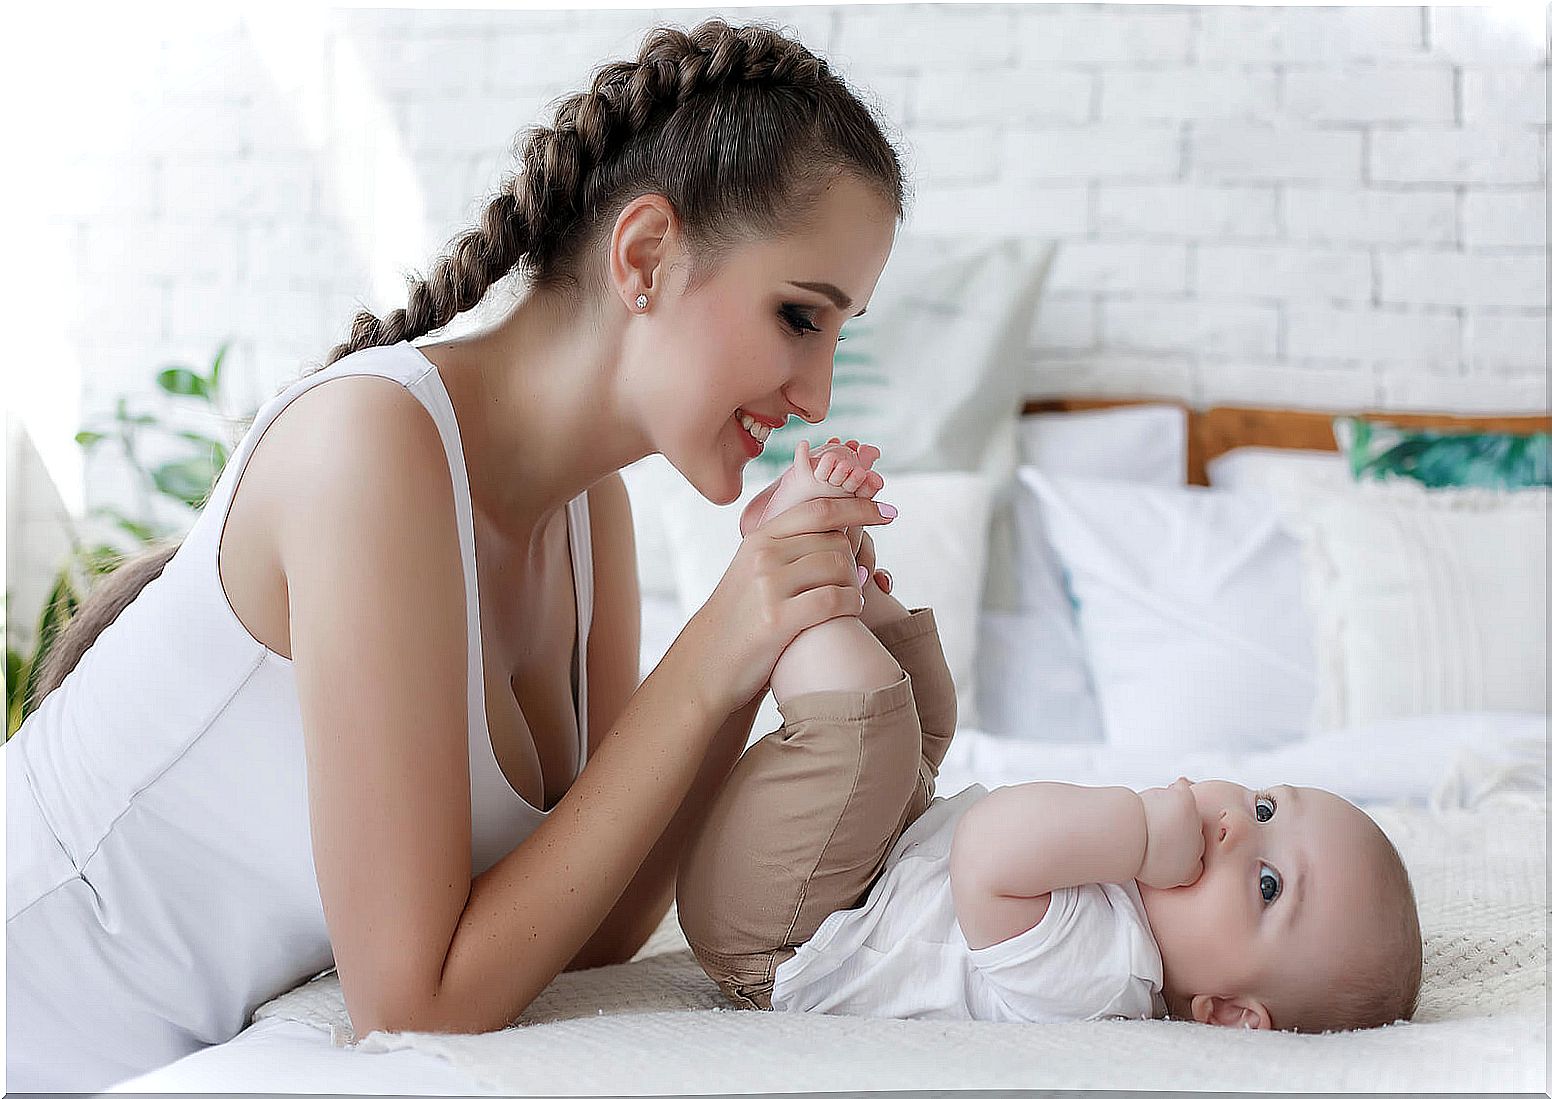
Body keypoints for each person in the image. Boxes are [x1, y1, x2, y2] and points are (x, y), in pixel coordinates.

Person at [5, 19, 907, 1091]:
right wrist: (710, 649)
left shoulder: (590, 514)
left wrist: (756, 648)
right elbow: (414, 1001)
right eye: (800, 315)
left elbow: (599, 926)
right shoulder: (371, 446)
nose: (816, 395)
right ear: (646, 255)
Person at [678, 439, 1426, 1034]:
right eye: (1265, 806)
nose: (1234, 826)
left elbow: (989, 849)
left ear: (1227, 1010)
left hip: (785, 932)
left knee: (875, 735)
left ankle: (784, 565)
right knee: (928, 716)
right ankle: (834, 570)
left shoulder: (1104, 973)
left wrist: (1136, 831)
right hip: (871, 871)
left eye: (1267, 885)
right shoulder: (1126, 909)